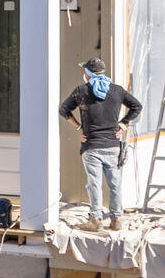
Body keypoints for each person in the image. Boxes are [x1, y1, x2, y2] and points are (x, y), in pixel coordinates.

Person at [60, 59, 143, 230]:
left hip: (91, 146)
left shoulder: (81, 91)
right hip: (113, 145)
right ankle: (117, 219)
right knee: (115, 184)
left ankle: (96, 220)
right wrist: (123, 124)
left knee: (94, 184)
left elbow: (63, 110)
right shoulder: (117, 90)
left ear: (87, 74)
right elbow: (136, 106)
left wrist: (79, 127)